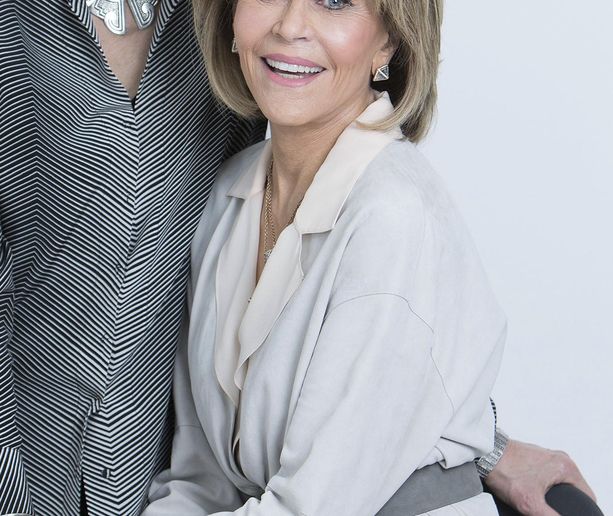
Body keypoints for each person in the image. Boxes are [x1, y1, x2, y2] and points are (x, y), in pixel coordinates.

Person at [0, 0, 598, 515]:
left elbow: (342, 302)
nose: (289, 22)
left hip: (138, 458)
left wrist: (470, 441)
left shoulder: (238, 21)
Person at [142, 0, 600, 515]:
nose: (290, 25)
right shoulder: (231, 195)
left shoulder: (392, 217)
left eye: (335, 1)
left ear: (390, 39)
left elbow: (310, 509)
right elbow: (201, 479)